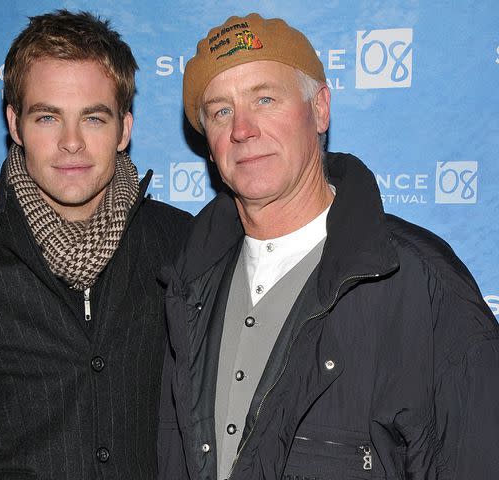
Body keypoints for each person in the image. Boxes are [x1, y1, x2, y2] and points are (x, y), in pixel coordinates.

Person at [158, 12, 499, 480]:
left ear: (320, 108)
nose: (242, 129)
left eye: (264, 98)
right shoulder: (185, 283)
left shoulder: (423, 283)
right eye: (221, 111)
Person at [0, 9, 190, 480]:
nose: (72, 143)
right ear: (15, 123)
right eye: (48, 118)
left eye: (93, 118)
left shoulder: (185, 245)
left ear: (124, 129)